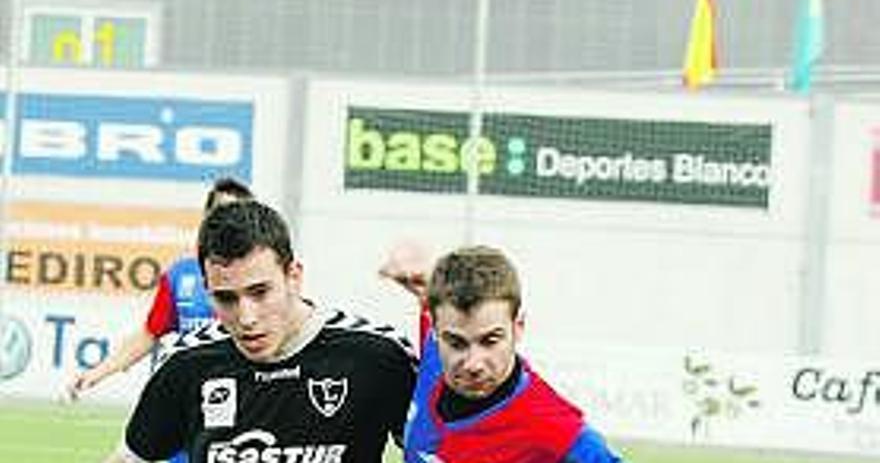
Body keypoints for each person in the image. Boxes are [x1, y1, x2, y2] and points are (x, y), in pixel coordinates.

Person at [102, 200, 417, 463]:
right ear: (207, 290)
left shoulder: (378, 355)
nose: (246, 318)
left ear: (293, 276)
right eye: (226, 298)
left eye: (260, 292)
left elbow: (435, 451)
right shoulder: (185, 362)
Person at [401, 245, 623, 463]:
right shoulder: (435, 352)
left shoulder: (552, 428)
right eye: (457, 343)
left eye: (490, 341)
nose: (473, 364)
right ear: (436, 330)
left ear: (518, 327)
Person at [67, 177, 254, 402]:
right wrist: (98, 373)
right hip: (187, 392)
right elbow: (150, 333)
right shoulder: (180, 275)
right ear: (207, 218)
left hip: (236, 392)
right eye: (221, 212)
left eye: (237, 214)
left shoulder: (258, 276)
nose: (228, 222)